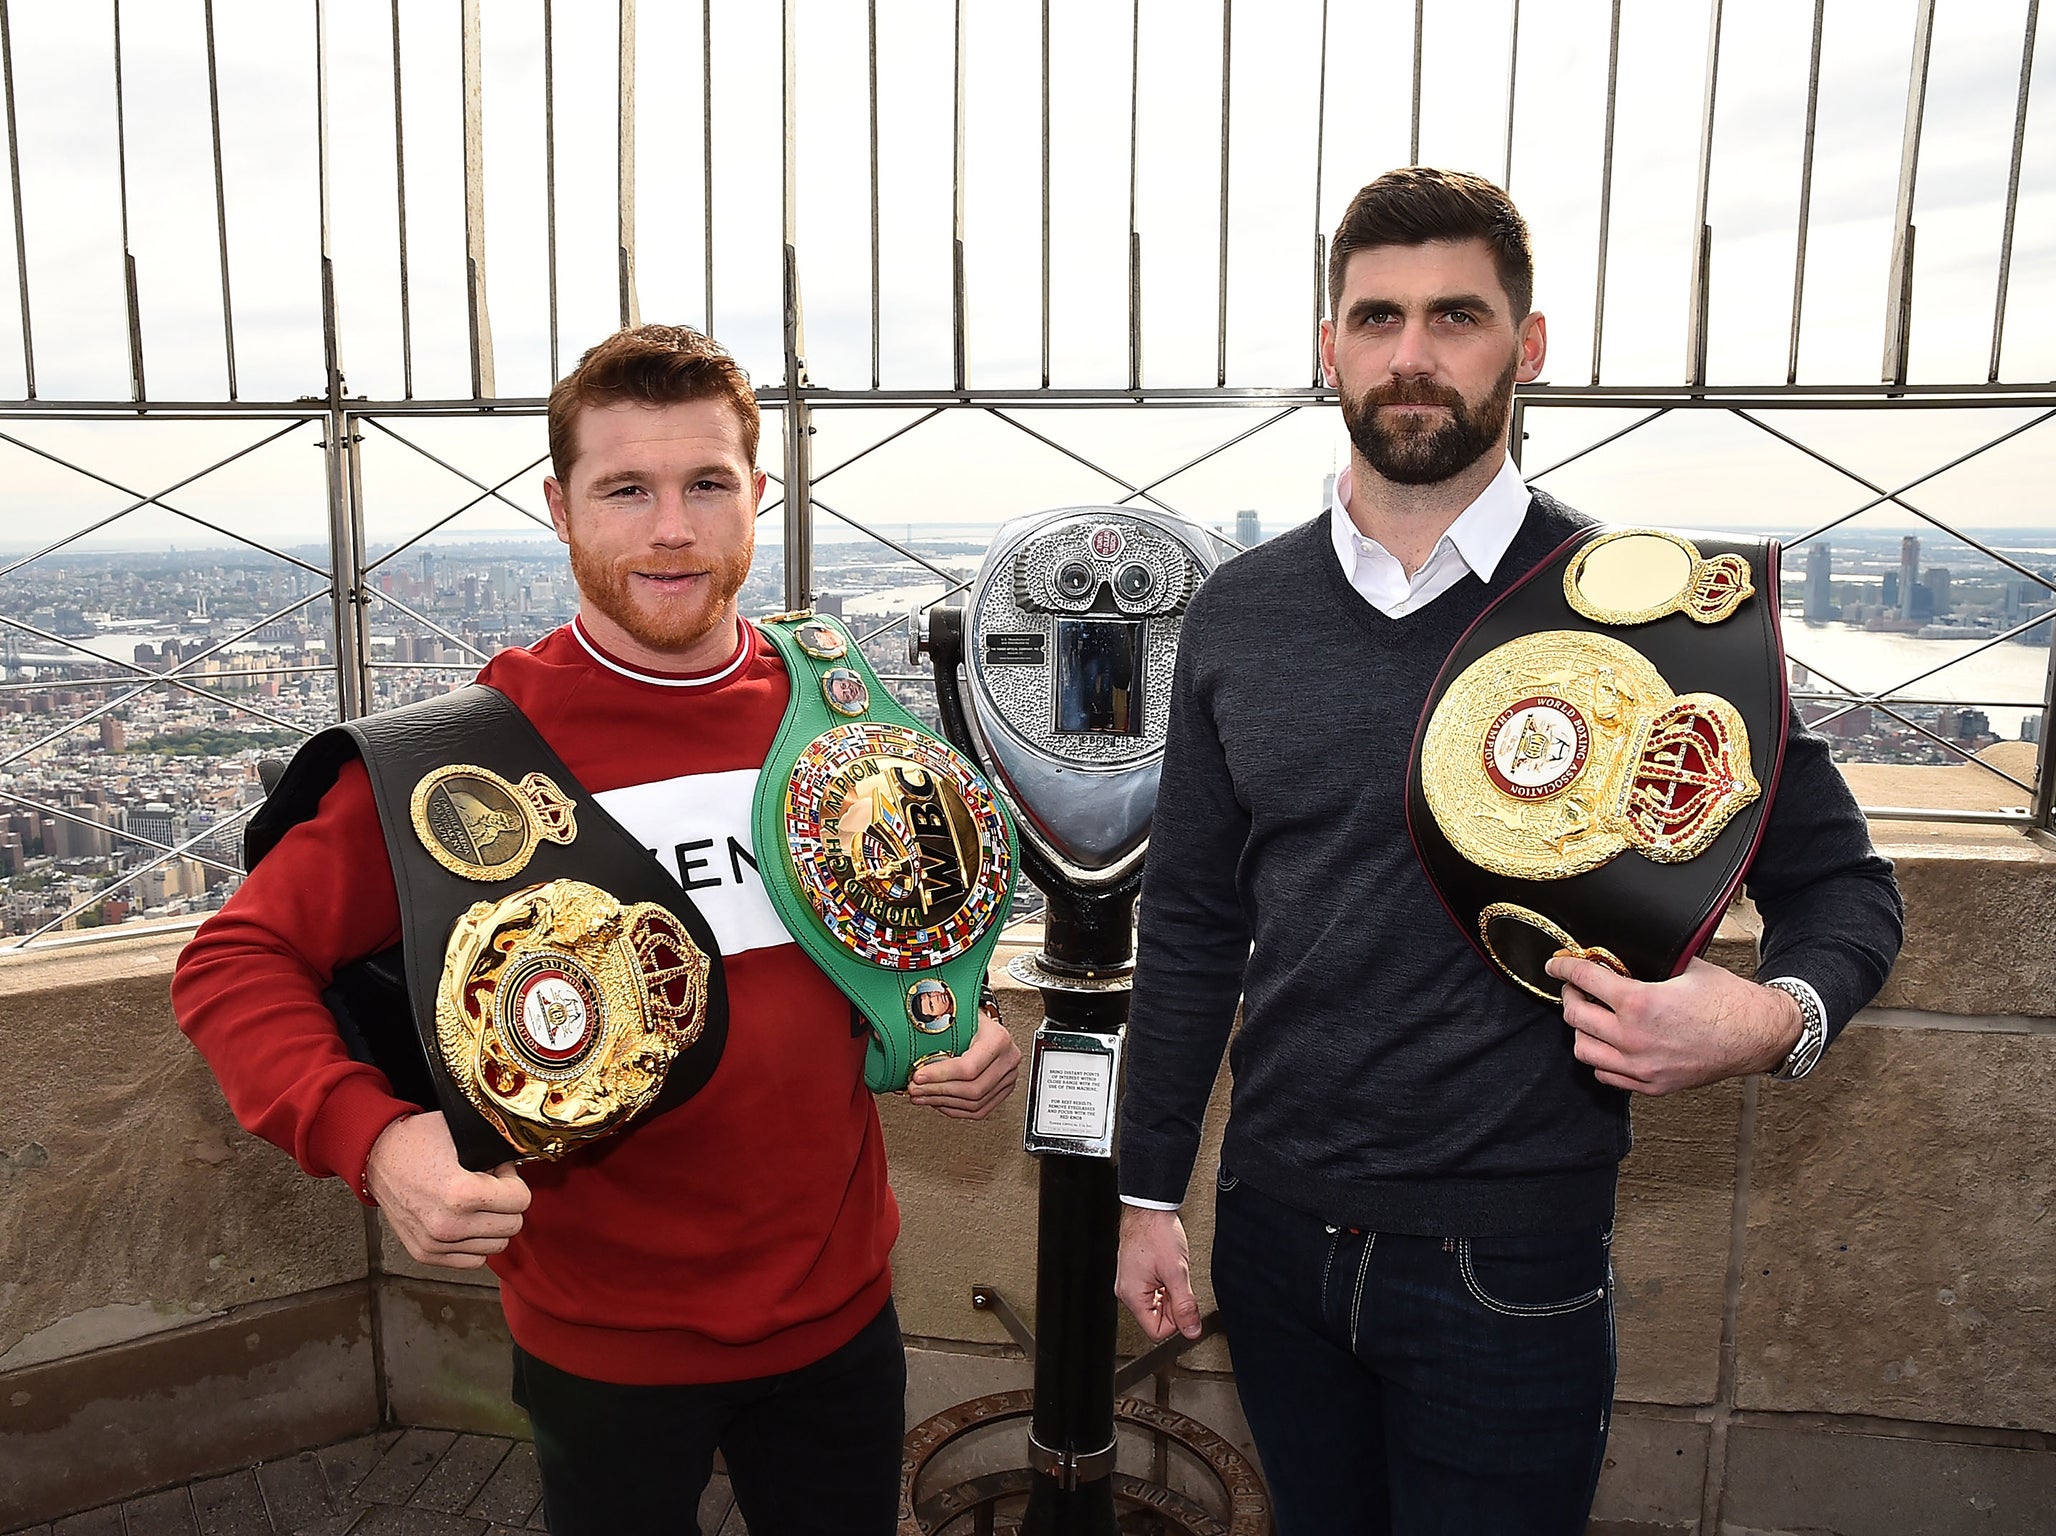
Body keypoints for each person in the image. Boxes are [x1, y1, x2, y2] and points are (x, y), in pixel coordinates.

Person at [1111, 168, 1902, 1536]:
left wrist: (1773, 1020)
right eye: (1376, 319)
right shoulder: (1240, 613)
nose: (1411, 357)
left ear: (1528, 348)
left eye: (1456, 316)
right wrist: (1143, 1193)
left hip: (1511, 1257)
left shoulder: (1659, 621)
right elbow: (1187, 922)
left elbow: (1845, 889)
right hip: (1278, 1230)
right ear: (1329, 348)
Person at [173, 325, 1021, 1536]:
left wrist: (952, 1011)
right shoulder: (461, 764)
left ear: (757, 500)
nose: (670, 527)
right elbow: (231, 961)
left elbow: (891, 918)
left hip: (841, 1314)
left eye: (706, 485)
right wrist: (371, 1140)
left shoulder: (838, 715)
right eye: (626, 489)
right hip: (604, 1342)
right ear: (560, 507)